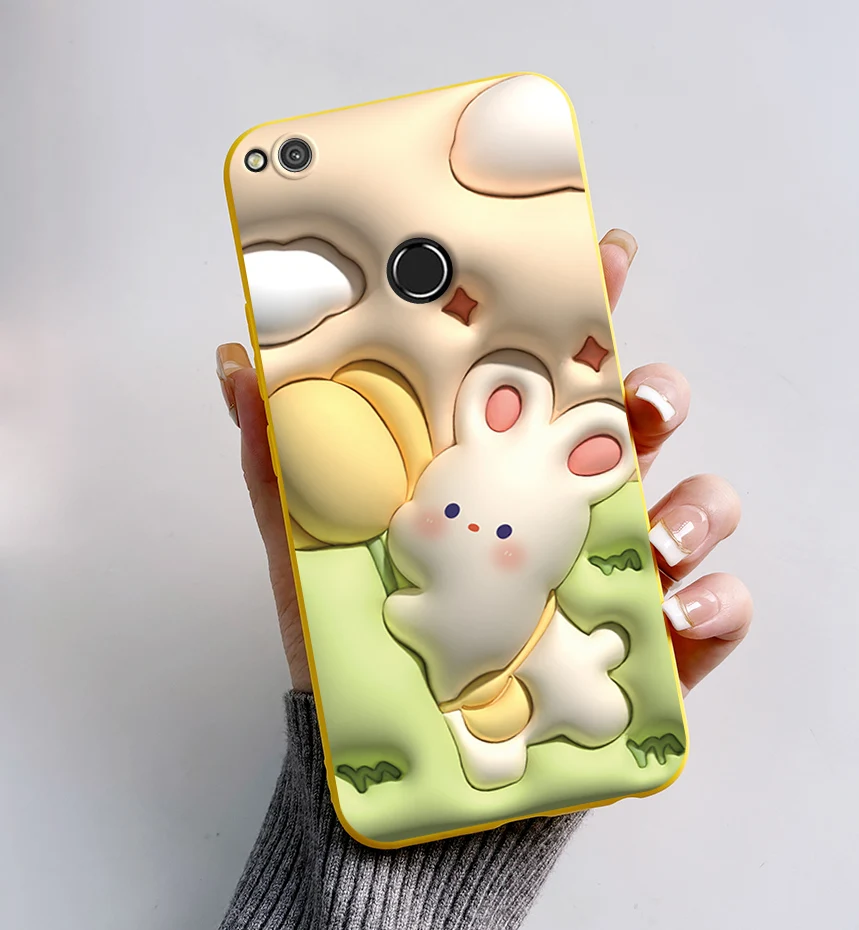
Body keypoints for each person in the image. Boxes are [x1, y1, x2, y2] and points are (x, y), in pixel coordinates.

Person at [214, 230, 753, 930]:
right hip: (475, 697)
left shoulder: (496, 543)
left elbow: (416, 602)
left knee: (582, 692)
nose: (465, 529)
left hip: (525, 672)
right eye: (452, 514)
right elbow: (410, 593)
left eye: (498, 534)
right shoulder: (417, 557)